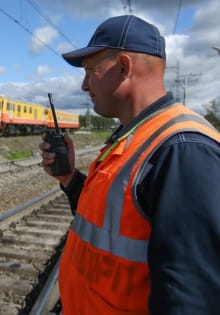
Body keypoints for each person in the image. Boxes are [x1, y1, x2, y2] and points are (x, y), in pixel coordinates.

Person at [39, 15, 220, 315]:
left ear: (123, 67)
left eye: (90, 71)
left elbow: (190, 299)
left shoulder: (184, 151)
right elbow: (115, 220)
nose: (84, 85)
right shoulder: (135, 135)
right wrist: (70, 179)